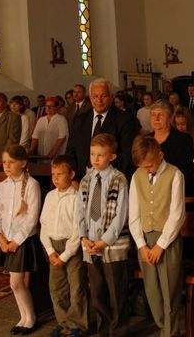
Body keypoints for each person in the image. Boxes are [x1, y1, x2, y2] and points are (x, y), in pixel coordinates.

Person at [129, 136, 185, 337]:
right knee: (152, 290)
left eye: (149, 165)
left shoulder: (175, 174)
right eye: (142, 167)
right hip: (145, 240)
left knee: (170, 290)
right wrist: (141, 245)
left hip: (167, 241)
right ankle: (163, 327)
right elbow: (133, 214)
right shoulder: (137, 176)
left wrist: (161, 245)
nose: (146, 170)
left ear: (160, 155)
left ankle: (170, 332)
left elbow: (177, 215)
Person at [77, 134, 130, 336]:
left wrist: (104, 241)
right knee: (97, 291)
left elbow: (120, 215)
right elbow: (80, 211)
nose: (95, 159)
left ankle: (118, 331)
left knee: (116, 291)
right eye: (92, 154)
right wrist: (83, 236)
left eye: (100, 155)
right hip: (90, 243)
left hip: (112, 245)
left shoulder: (119, 179)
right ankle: (103, 329)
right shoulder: (86, 180)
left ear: (112, 156)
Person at [0, 145, 44, 335]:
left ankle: (31, 317)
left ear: (23, 163)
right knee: (14, 283)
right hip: (6, 240)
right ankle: (24, 317)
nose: (7, 166)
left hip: (22, 241)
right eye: (4, 162)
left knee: (16, 282)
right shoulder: (3, 185)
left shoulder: (32, 184)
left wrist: (16, 241)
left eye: (11, 162)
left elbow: (32, 218)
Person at [40, 155, 87, 337]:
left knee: (76, 288)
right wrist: (50, 251)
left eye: (60, 174)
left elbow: (78, 229)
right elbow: (44, 225)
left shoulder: (77, 198)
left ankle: (77, 325)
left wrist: (66, 254)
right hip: (53, 246)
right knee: (56, 288)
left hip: (71, 248)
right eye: (53, 174)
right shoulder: (50, 196)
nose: (55, 178)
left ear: (71, 174)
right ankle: (63, 322)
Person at [66, 78, 138, 181]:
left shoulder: (124, 119)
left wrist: (115, 180)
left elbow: (127, 154)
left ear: (112, 97)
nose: (99, 100)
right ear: (90, 98)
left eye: (104, 96)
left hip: (111, 179)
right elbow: (71, 151)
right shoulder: (80, 120)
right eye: (95, 96)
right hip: (81, 179)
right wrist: (73, 179)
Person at [150, 100, 194, 196]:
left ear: (170, 118)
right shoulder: (145, 140)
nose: (156, 118)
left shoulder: (184, 140)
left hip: (176, 192)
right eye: (153, 114)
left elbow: (186, 172)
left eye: (161, 115)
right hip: (150, 193)